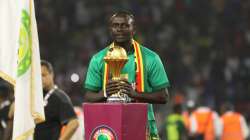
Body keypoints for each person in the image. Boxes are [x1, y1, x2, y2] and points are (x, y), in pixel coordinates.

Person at [84, 11, 170, 139]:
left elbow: (163, 97)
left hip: (142, 127)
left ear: (133, 29)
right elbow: (89, 96)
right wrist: (104, 93)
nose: (119, 29)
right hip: (110, 129)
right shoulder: (98, 59)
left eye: (125, 25)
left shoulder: (151, 58)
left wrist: (135, 94)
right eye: (115, 25)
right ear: (110, 29)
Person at [34, 60, 79, 140]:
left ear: (52, 74)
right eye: (37, 76)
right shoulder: (36, 96)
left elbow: (74, 123)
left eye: (43, 75)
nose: (40, 79)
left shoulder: (59, 97)